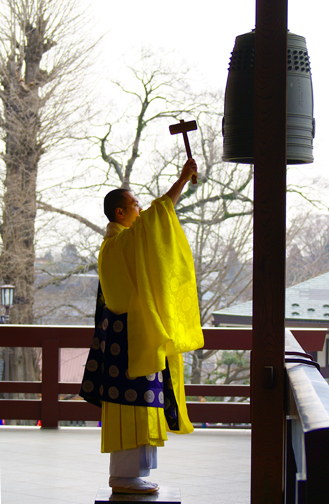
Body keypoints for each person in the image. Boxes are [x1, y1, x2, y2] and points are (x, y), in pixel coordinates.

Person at [80, 158, 204, 494]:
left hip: (133, 337)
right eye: (134, 204)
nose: (139, 208)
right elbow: (156, 217)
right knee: (129, 405)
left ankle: (135, 474)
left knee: (143, 403)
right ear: (120, 213)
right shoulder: (119, 244)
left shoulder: (119, 243)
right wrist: (180, 180)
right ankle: (123, 477)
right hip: (128, 340)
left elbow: (152, 222)